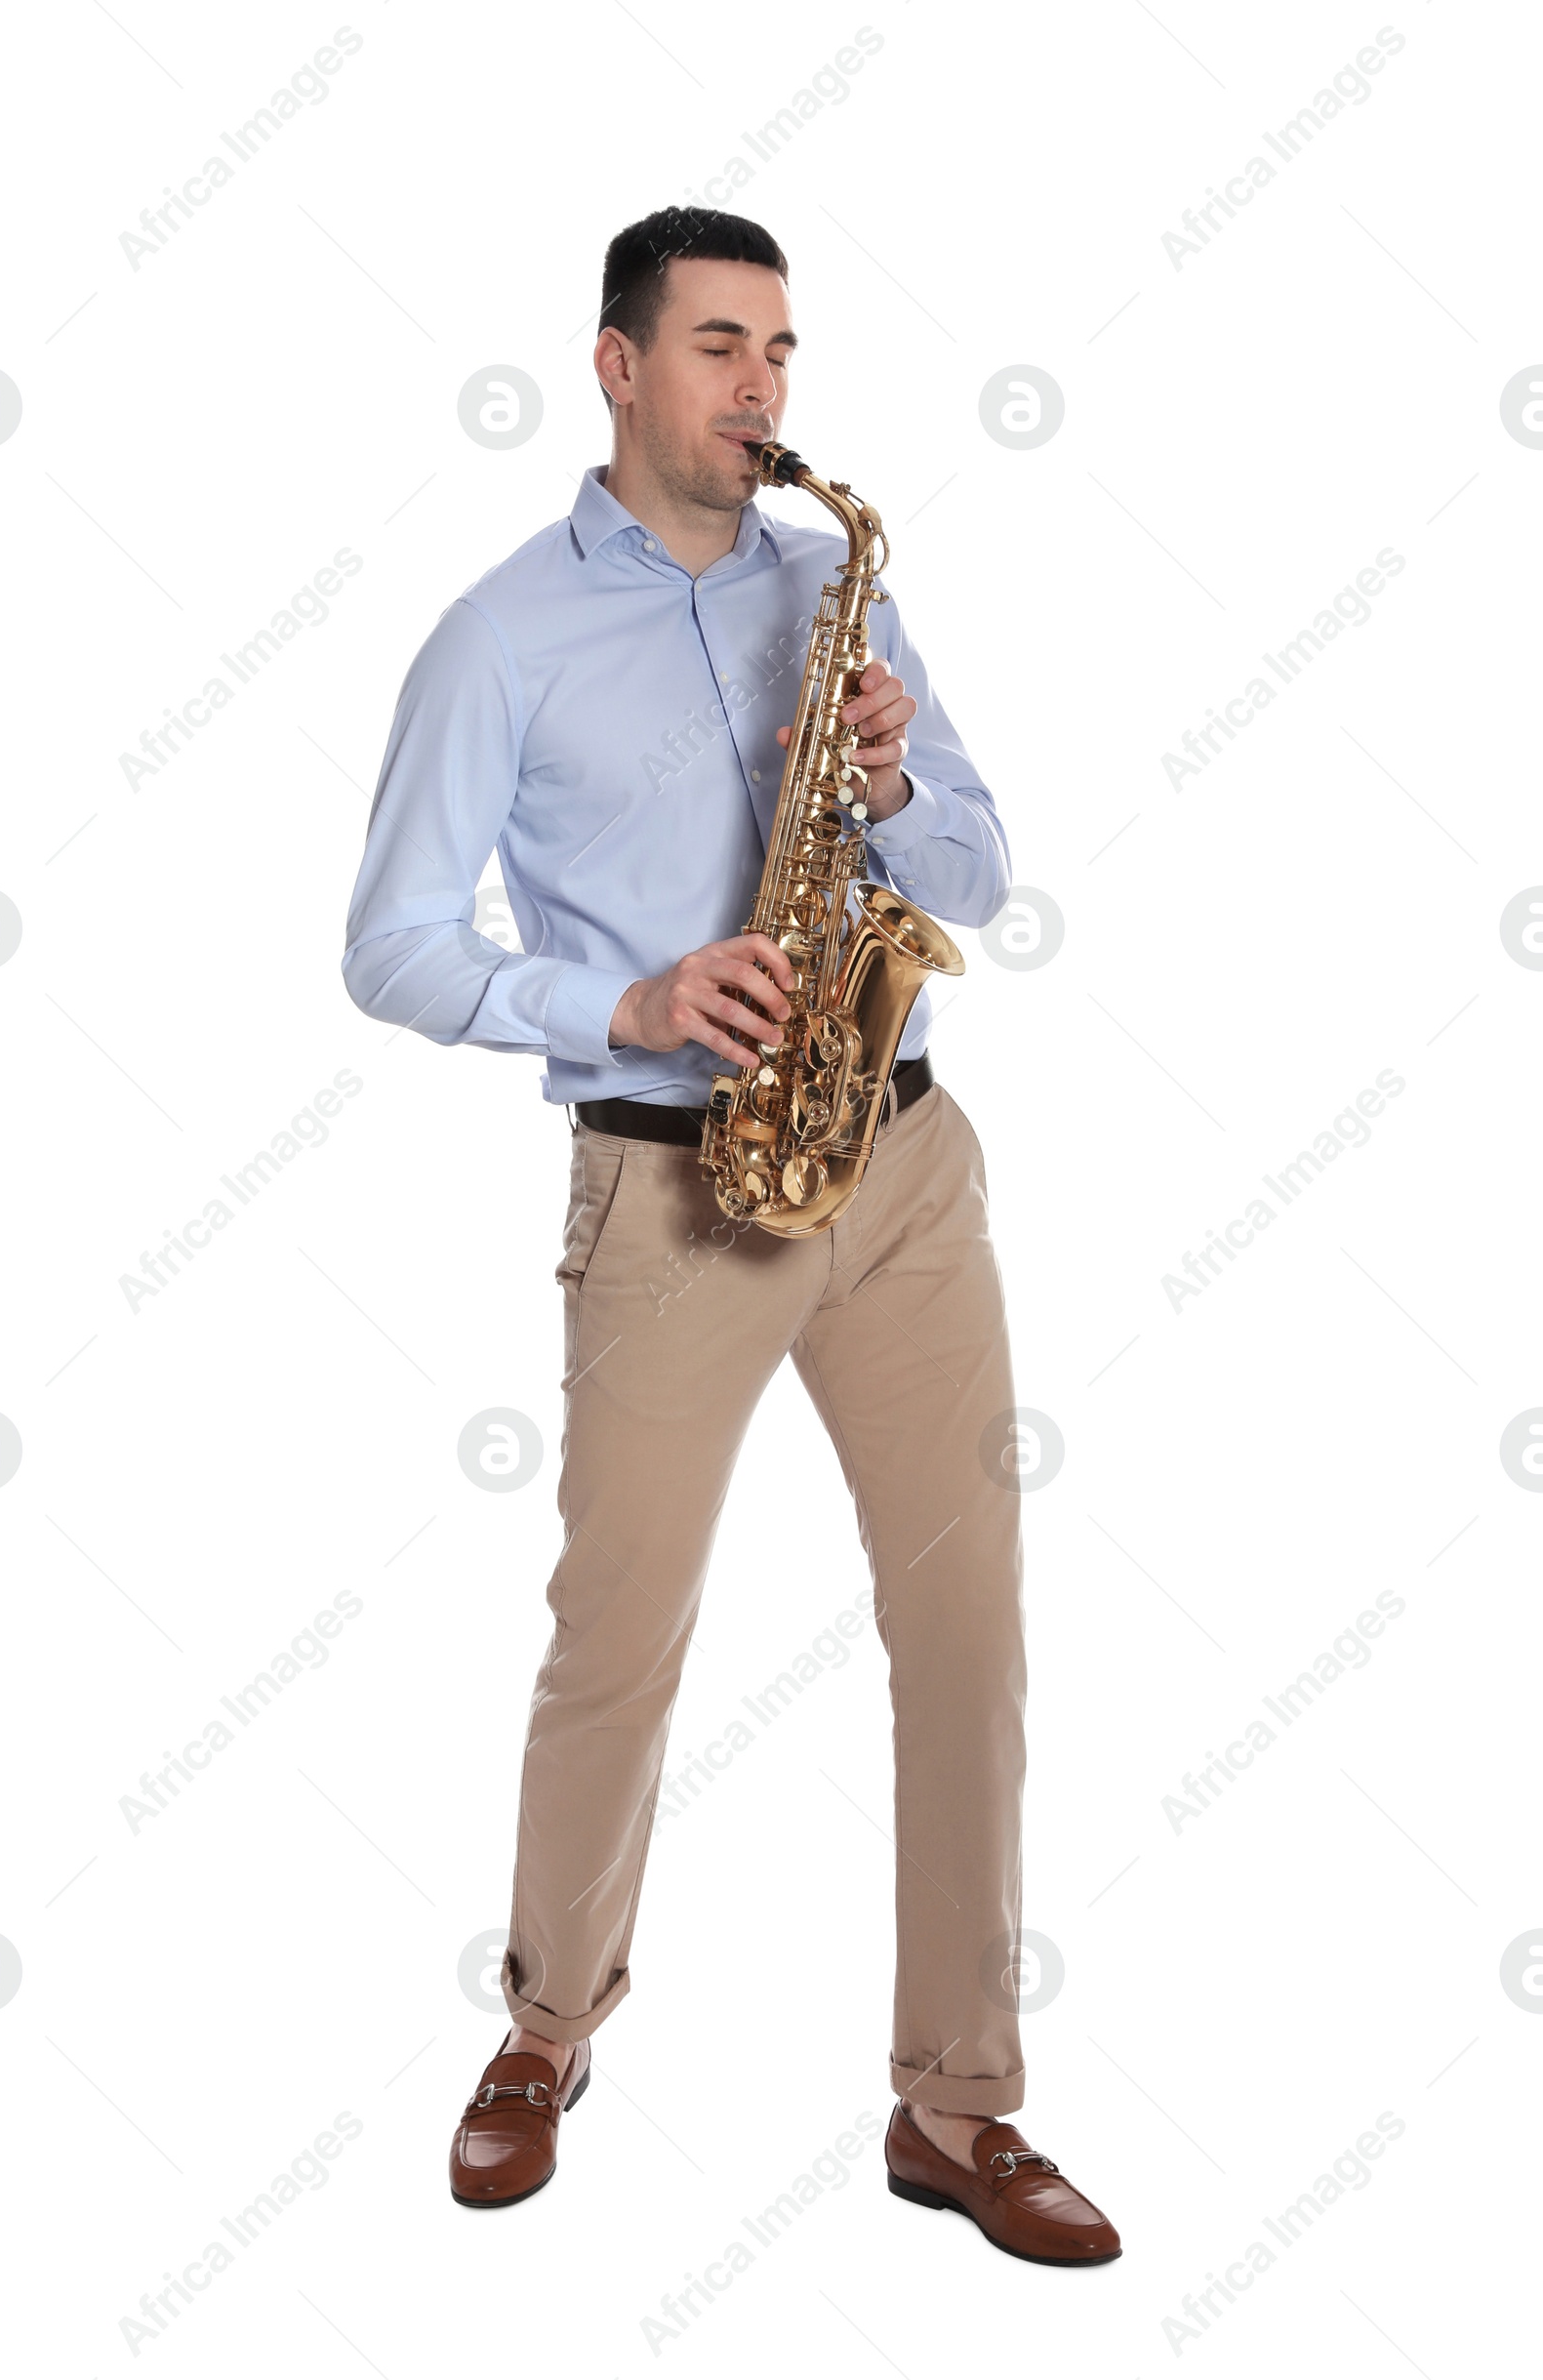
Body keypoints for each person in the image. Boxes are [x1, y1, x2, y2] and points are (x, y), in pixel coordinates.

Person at [342, 203, 1119, 2265]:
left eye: (777, 348)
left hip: (901, 1164)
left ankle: (957, 2102)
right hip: (671, 1180)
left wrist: (879, 776)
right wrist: (624, 999)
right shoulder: (498, 634)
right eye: (714, 347)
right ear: (613, 365)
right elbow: (392, 949)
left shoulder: (829, 583)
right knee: (618, 1643)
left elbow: (976, 856)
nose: (759, 388)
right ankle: (544, 2027)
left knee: (970, 1641)